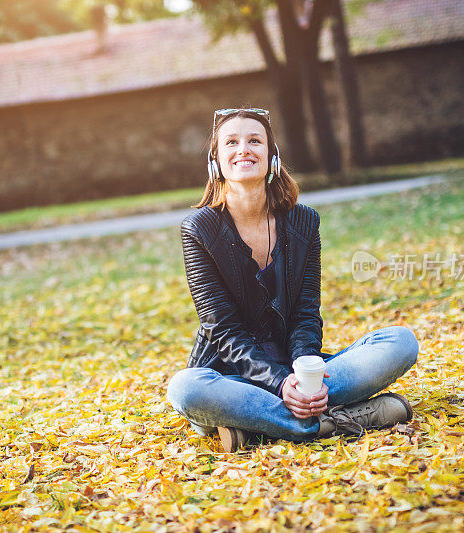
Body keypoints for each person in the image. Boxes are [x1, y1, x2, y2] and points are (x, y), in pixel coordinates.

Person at [166, 108, 419, 452]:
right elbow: (222, 330)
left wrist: (304, 376)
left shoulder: (303, 223)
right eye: (231, 142)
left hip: (294, 369)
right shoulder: (198, 229)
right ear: (216, 161)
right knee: (185, 389)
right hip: (232, 378)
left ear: (271, 156)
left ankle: (260, 423)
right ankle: (334, 421)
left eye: (255, 140)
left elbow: (305, 313)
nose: (244, 149)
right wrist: (278, 383)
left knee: (400, 341)